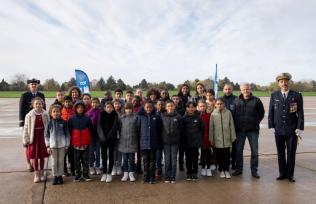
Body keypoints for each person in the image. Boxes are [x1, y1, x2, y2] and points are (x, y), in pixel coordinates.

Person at [268, 73, 304, 182]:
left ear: (289, 82)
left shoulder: (296, 95)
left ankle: (290, 174)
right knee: (280, 153)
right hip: (278, 129)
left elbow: (300, 113)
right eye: (282, 81)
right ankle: (282, 173)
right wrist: (271, 125)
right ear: (278, 83)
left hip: (292, 130)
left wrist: (300, 127)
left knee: (291, 153)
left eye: (286, 81)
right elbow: (271, 112)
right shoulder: (274, 95)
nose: (284, 83)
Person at [232, 83, 265, 178]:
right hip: (239, 130)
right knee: (238, 150)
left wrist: (255, 122)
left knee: (254, 151)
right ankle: (239, 169)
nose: (245, 91)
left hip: (253, 130)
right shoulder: (236, 100)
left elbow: (261, 113)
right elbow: (233, 115)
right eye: (243, 89)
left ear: (250, 89)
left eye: (247, 89)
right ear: (240, 90)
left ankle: (254, 170)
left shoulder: (256, 100)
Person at [19, 78, 46, 172]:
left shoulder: (41, 95)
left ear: (37, 85)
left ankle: (39, 166)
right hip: (28, 123)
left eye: (35, 84)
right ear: (29, 86)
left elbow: (44, 108)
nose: (33, 86)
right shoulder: (25, 95)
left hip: (39, 123)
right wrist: (22, 124)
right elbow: (21, 110)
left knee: (39, 145)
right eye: (32, 84)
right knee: (27, 144)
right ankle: (29, 163)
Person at [23, 97, 49, 183]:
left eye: (40, 104)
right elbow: (26, 128)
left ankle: (42, 173)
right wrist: (25, 139)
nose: (38, 105)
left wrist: (49, 138)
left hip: (42, 137)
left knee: (41, 156)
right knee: (34, 157)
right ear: (33, 105)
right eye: (36, 104)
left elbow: (48, 127)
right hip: (33, 138)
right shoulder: (29, 115)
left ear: (43, 104)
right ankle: (36, 174)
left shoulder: (45, 114)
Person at [209, 98, 236, 179]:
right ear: (215, 105)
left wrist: (233, 136)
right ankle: (221, 170)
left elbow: (231, 125)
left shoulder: (228, 113)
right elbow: (211, 128)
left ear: (224, 104)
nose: (219, 105)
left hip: (227, 139)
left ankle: (226, 170)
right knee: (219, 156)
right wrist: (211, 139)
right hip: (217, 139)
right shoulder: (213, 114)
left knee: (227, 156)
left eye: (221, 103)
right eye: (218, 104)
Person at [45, 104, 70, 185]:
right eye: (54, 112)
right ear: (51, 113)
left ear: (60, 112)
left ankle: (60, 176)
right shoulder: (49, 123)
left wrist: (67, 145)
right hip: (53, 146)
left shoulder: (64, 122)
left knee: (61, 161)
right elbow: (46, 135)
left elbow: (67, 135)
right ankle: (55, 176)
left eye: (58, 112)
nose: (56, 113)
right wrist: (48, 146)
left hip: (62, 146)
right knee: (54, 162)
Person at [138, 100, 162, 184]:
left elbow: (159, 130)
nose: (148, 109)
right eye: (147, 107)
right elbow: (138, 130)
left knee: (152, 161)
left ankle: (152, 177)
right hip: (144, 143)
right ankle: (145, 177)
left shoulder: (156, 117)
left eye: (150, 107)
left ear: (153, 108)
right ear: (144, 108)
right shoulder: (140, 117)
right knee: (145, 161)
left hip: (153, 143)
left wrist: (158, 142)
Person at [68, 100, 93, 182]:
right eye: (78, 107)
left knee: (85, 159)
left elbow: (91, 128)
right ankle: (78, 174)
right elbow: (69, 130)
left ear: (84, 108)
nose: (80, 109)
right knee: (76, 160)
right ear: (75, 109)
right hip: (76, 143)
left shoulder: (87, 118)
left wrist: (90, 138)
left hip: (85, 143)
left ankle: (85, 174)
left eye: (82, 107)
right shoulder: (72, 118)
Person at [161, 100, 182, 183]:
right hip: (165, 142)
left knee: (173, 159)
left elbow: (181, 129)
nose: (170, 107)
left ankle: (173, 176)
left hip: (175, 142)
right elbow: (160, 129)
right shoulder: (162, 116)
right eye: (168, 106)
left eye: (171, 106)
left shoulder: (178, 117)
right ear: (166, 107)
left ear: (174, 107)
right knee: (167, 159)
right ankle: (167, 176)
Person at [97, 101, 119, 183]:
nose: (109, 109)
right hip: (103, 140)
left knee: (111, 156)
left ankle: (109, 173)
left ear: (113, 108)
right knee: (104, 156)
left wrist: (109, 137)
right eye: (107, 107)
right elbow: (99, 126)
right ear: (105, 108)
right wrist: (102, 137)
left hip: (111, 139)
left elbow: (115, 127)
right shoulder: (102, 114)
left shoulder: (115, 115)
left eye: (110, 107)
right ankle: (104, 173)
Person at [183, 101, 204, 181]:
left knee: (195, 158)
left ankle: (195, 173)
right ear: (186, 108)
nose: (191, 109)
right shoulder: (184, 118)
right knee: (188, 158)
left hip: (195, 142)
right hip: (187, 142)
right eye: (189, 107)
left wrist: (199, 140)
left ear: (195, 108)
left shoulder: (198, 118)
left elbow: (202, 129)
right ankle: (189, 173)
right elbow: (182, 130)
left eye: (192, 107)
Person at [118, 102, 139, 182]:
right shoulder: (122, 118)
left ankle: (131, 173)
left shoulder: (135, 118)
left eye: (130, 109)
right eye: (127, 109)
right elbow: (119, 129)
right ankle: (125, 173)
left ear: (132, 109)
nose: (128, 110)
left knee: (131, 159)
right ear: (124, 109)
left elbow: (137, 129)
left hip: (132, 141)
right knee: (125, 159)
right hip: (123, 141)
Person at [222, 83, 238, 170]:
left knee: (234, 146)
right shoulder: (220, 99)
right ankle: (224, 163)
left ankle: (234, 162)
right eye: (226, 89)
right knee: (225, 146)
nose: (227, 91)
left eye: (229, 89)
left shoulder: (236, 99)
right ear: (223, 90)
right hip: (223, 127)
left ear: (232, 90)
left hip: (234, 127)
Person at [177, 84, 192, 171]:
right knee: (181, 147)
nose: (185, 90)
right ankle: (180, 163)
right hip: (179, 123)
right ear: (181, 89)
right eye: (183, 88)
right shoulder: (178, 98)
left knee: (187, 146)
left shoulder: (190, 98)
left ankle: (188, 162)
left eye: (186, 88)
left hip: (188, 123)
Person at [86, 97, 102, 175]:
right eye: (93, 103)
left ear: (99, 103)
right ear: (91, 103)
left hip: (98, 135)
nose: (94, 104)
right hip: (91, 136)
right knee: (91, 152)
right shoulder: (88, 113)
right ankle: (91, 166)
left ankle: (98, 166)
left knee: (98, 152)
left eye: (96, 102)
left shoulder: (101, 112)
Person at [61, 95, 75, 176]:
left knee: (71, 154)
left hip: (72, 136)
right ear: (63, 103)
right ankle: (64, 169)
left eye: (69, 102)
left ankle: (73, 169)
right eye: (66, 102)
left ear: (71, 102)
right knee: (63, 155)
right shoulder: (61, 112)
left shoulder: (74, 112)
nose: (68, 103)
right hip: (63, 137)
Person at [198, 100, 212, 177]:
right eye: (200, 106)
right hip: (200, 138)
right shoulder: (197, 116)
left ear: (206, 107)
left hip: (208, 137)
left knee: (209, 153)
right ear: (198, 107)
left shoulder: (209, 115)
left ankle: (208, 168)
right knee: (202, 154)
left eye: (203, 106)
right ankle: (203, 167)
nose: (202, 108)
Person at [112, 99, 124, 176]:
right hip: (112, 136)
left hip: (120, 135)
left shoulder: (123, 113)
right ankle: (113, 166)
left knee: (119, 151)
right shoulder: (110, 113)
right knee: (113, 151)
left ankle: (119, 165)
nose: (116, 105)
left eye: (118, 104)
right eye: (115, 104)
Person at [154, 99, 165, 179]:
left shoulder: (166, 113)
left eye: (162, 104)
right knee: (157, 154)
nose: (160, 106)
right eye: (159, 104)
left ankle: (164, 169)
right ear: (156, 105)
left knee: (164, 155)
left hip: (165, 137)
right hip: (156, 137)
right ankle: (158, 169)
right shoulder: (153, 113)